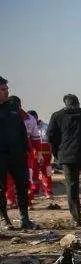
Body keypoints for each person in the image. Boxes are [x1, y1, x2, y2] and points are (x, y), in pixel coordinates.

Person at [47, 94, 81, 226]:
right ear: (78, 103)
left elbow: (50, 137)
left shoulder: (57, 116)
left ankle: (76, 217)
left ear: (65, 103)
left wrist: (58, 153)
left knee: (72, 185)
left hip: (67, 157)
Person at [0, 77, 36, 229]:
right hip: (0, 155)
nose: (7, 91)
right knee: (0, 188)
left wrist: (25, 150)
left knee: (22, 185)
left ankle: (25, 218)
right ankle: (4, 220)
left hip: (17, 154)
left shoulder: (13, 106)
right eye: (3, 89)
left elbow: (22, 129)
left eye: (7, 88)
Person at [28, 110, 53, 199]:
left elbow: (50, 139)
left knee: (47, 172)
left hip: (46, 153)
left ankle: (48, 191)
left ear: (36, 118)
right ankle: (34, 190)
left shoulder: (46, 126)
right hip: (33, 152)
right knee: (33, 172)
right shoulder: (27, 126)